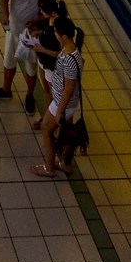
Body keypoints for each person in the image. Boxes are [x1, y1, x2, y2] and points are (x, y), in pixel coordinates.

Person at [33, 19, 85, 179]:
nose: (55, 35)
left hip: (62, 103)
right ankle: (66, 164)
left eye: (56, 33)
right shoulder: (72, 51)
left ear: (63, 35)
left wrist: (59, 111)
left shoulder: (69, 59)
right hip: (68, 102)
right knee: (66, 134)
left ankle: (49, 167)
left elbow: (68, 89)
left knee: (46, 130)